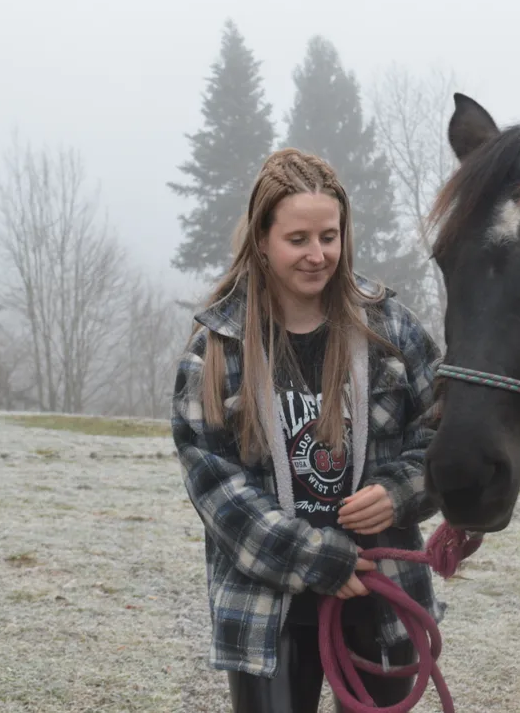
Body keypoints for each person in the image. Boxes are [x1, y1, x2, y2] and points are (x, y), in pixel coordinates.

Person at [171, 147, 445, 712]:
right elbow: (215, 487)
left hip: (381, 592)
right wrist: (314, 558)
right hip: (265, 610)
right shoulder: (217, 348)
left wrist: (400, 492)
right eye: (298, 239)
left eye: (329, 236)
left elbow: (445, 430)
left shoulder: (390, 329)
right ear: (262, 241)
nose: (317, 255)